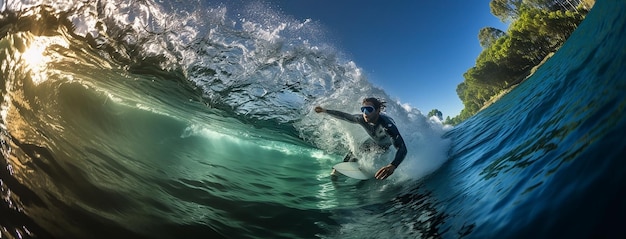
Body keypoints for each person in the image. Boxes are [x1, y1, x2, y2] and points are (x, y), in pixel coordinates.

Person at [314, 97, 408, 180]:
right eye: (363, 109)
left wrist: (392, 166)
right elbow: (344, 116)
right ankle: (338, 170)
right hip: (372, 141)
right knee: (355, 151)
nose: (365, 113)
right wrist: (325, 111)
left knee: (377, 155)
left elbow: (402, 148)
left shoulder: (387, 126)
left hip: (384, 146)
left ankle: (368, 169)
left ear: (378, 110)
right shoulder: (361, 119)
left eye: (369, 109)